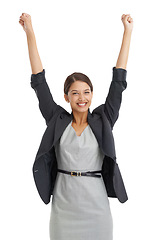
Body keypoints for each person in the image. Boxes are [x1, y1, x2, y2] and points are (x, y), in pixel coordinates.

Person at [19, 12, 133, 240]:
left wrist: (127, 32)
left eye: (86, 92)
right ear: (66, 97)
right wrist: (30, 32)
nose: (82, 98)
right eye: (75, 93)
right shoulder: (56, 119)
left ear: (92, 95)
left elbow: (118, 83)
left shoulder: (104, 119)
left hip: (96, 208)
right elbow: (39, 82)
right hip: (64, 207)